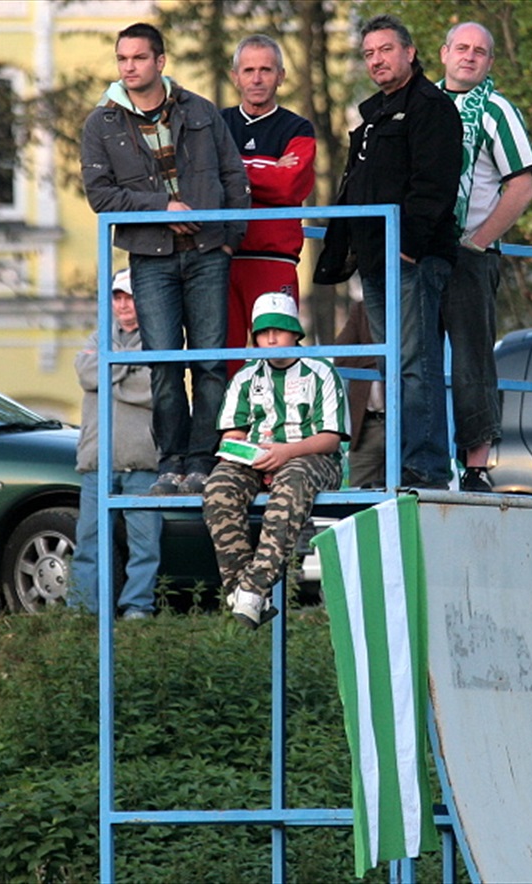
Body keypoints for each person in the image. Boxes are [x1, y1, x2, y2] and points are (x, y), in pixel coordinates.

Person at [81, 22, 251, 497]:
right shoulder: (103, 122)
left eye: (138, 58)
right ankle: (170, 463)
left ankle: (203, 461)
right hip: (149, 258)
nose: (128, 67)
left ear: (160, 61)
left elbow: (233, 176)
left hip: (207, 253)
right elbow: (100, 194)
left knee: (212, 363)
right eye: (122, 59)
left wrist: (229, 240)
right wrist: (163, 208)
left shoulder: (199, 109)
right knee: (163, 364)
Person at [315, 13, 462, 489]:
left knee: (416, 365)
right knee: (393, 364)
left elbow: (434, 183)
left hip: (412, 260)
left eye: (385, 50)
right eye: (369, 54)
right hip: (376, 261)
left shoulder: (431, 107)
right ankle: (405, 463)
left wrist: (410, 245)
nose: (377, 60)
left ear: (410, 52)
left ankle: (426, 469)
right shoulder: (373, 113)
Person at [203, 292, 349, 629]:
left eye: (280, 330)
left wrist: (286, 451)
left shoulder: (321, 372)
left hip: (311, 457)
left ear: (295, 333)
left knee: (291, 483)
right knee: (218, 488)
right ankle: (242, 591)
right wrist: (248, 450)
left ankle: (252, 590)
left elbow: (331, 438)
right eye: (264, 331)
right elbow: (230, 435)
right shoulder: (245, 376)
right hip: (256, 460)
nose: (271, 338)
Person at [437, 21, 532, 493]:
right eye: (462, 48)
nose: (470, 56)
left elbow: (521, 186)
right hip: (420, 253)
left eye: (480, 51)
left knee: (472, 360)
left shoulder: (497, 110)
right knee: (411, 359)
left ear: (490, 62)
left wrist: (478, 240)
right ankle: (421, 458)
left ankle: (475, 466)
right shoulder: (422, 104)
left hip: (470, 254)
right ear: (443, 54)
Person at [68, 269, 163, 619]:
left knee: (145, 546)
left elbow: (152, 390)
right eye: (117, 297)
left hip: (142, 463)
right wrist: (129, 366)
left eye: (130, 297)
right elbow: (85, 373)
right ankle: (83, 611)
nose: (123, 305)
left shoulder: (159, 339)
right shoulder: (97, 336)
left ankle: (137, 610)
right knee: (89, 544)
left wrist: (109, 369)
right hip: (97, 463)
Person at [221, 34, 316, 375]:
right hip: (220, 256)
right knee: (220, 362)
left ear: (281, 76)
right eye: (248, 70)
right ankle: (226, 430)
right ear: (235, 76)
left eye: (266, 69)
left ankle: (283, 429)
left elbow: (289, 185)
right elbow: (201, 182)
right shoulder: (216, 125)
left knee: (280, 359)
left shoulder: (298, 127)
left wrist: (232, 169)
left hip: (272, 258)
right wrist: (267, 166)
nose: (257, 78)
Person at [335, 299, 385, 487]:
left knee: (408, 496)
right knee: (359, 495)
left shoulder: (413, 304)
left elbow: (415, 359)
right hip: (366, 425)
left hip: (407, 424)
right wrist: (383, 359)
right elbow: (341, 357)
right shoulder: (362, 308)